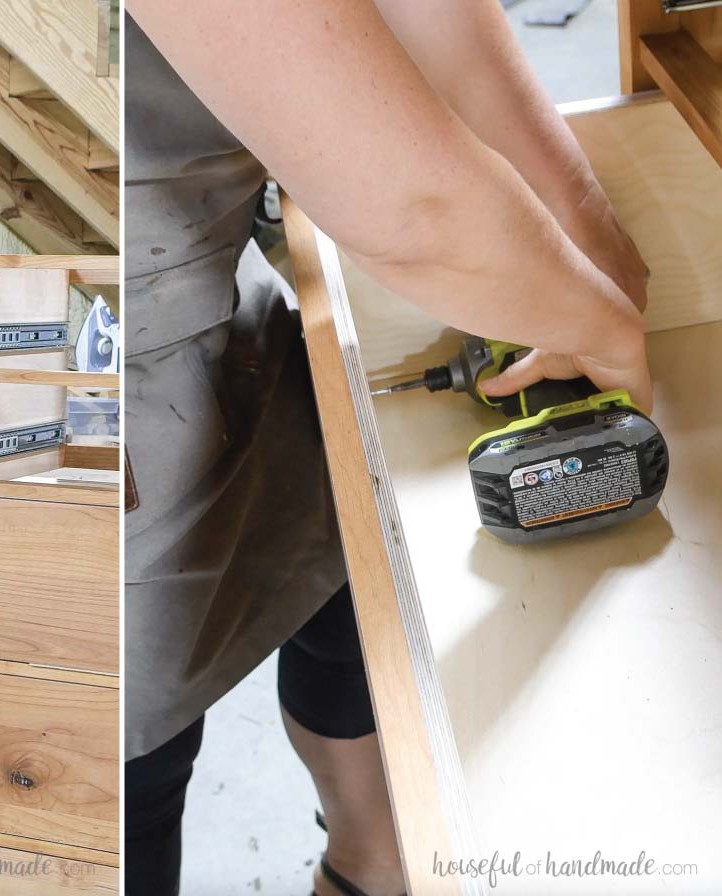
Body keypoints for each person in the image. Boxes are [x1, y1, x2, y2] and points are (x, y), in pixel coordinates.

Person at [123, 2, 651, 894]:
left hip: (211, 304)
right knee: (134, 761)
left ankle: (371, 863)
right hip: (99, 376)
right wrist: (608, 334)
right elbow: (417, 210)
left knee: (339, 592)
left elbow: (435, 20)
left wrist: (584, 231)